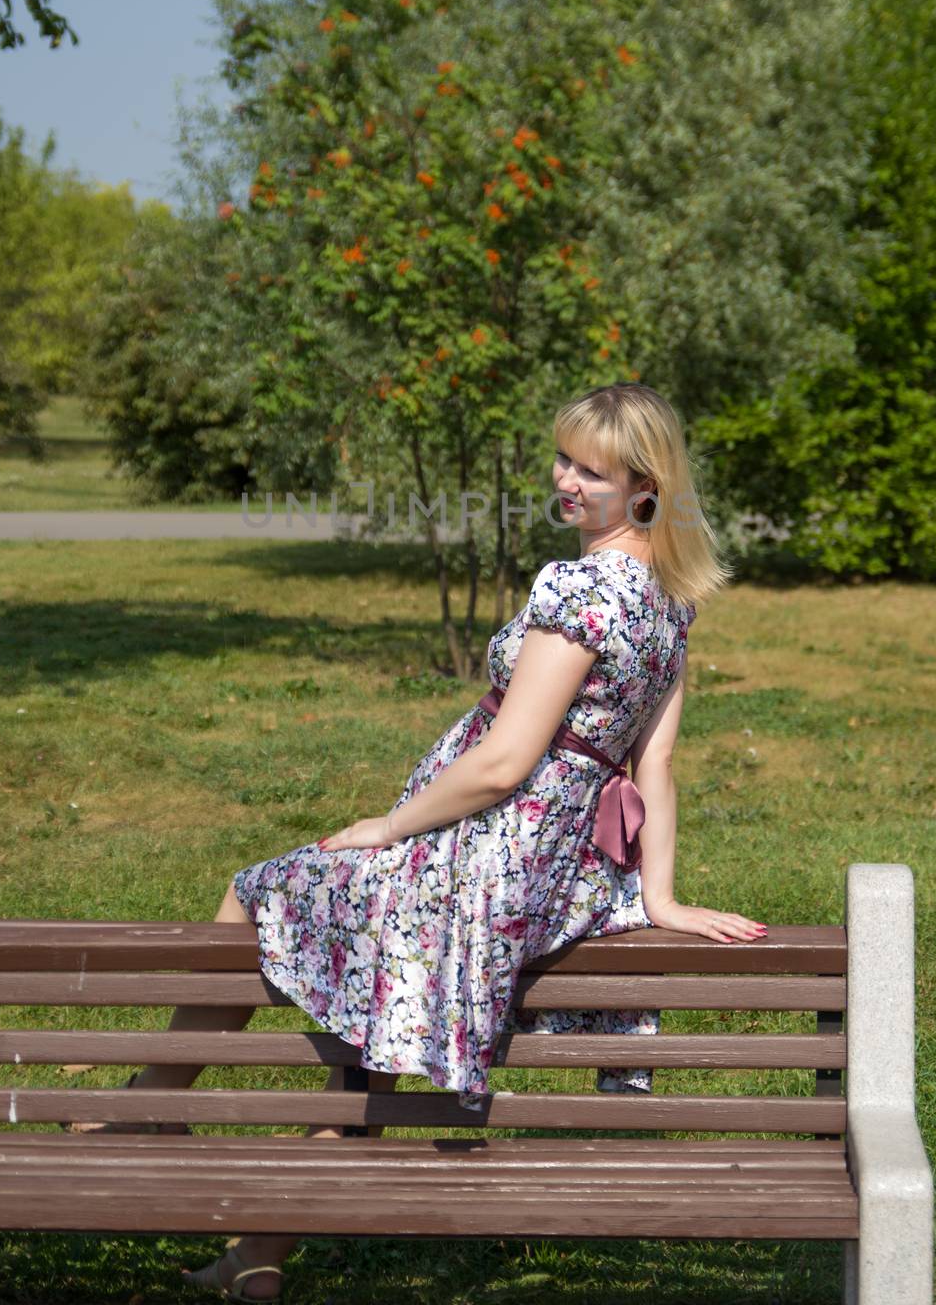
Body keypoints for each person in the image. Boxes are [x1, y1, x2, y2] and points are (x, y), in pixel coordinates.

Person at [71, 381, 768, 1301]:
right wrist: (659, 897)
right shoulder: (670, 599)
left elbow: (504, 762)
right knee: (380, 1040)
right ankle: (259, 1257)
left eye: (589, 471)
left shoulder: (582, 587)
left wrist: (387, 826)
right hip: (558, 877)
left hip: (484, 864)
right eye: (563, 458)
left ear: (644, 488)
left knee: (258, 889)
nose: (564, 480)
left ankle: (153, 1106)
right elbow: (656, 765)